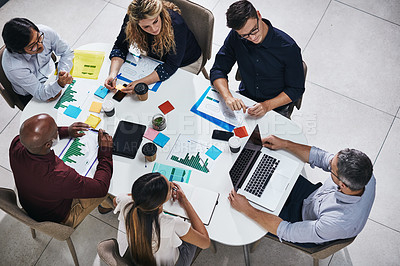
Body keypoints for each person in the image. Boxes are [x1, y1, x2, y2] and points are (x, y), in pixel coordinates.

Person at [228, 135, 376, 245]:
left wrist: (248, 209)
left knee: (241, 209)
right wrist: (285, 144)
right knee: (267, 168)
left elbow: (286, 231)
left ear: (342, 185)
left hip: (303, 219)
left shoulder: (335, 222)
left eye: (331, 167)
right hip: (312, 197)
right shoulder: (365, 175)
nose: (329, 163)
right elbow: (322, 158)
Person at [9, 114, 113, 228]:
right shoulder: (60, 175)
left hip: (31, 204)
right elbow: (101, 188)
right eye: (55, 132)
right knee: (110, 187)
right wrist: (105, 152)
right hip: (56, 218)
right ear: (48, 144)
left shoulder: (16, 144)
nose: (57, 131)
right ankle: (107, 205)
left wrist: (66, 131)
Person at [210, 0, 305, 118]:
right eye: (245, 35)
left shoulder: (288, 48)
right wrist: (227, 96)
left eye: (254, 30)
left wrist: (266, 106)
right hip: (245, 100)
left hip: (275, 107)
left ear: (259, 15)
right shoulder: (236, 37)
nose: (252, 37)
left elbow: (296, 89)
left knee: (265, 137)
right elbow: (218, 70)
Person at [104, 0, 201, 94]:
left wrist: (141, 82)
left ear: (160, 14)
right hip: (155, 55)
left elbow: (171, 65)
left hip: (185, 61)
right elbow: (120, 46)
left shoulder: (176, 24)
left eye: (155, 21)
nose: (154, 29)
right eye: (146, 27)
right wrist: (113, 74)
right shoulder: (131, 19)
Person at [114, 172, 210, 266]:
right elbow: (205, 243)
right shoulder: (172, 223)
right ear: (160, 203)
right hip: (172, 263)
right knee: (192, 236)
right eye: (169, 186)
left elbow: (115, 201)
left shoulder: (125, 202)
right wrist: (185, 202)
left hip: (139, 258)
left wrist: (143, 197)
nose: (172, 184)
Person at [1, 18, 74, 103]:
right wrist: (59, 84)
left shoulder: (44, 31)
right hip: (31, 93)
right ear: (19, 51)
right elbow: (40, 94)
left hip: (52, 74)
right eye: (32, 46)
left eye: (39, 38)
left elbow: (67, 52)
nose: (40, 46)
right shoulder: (13, 66)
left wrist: (62, 75)